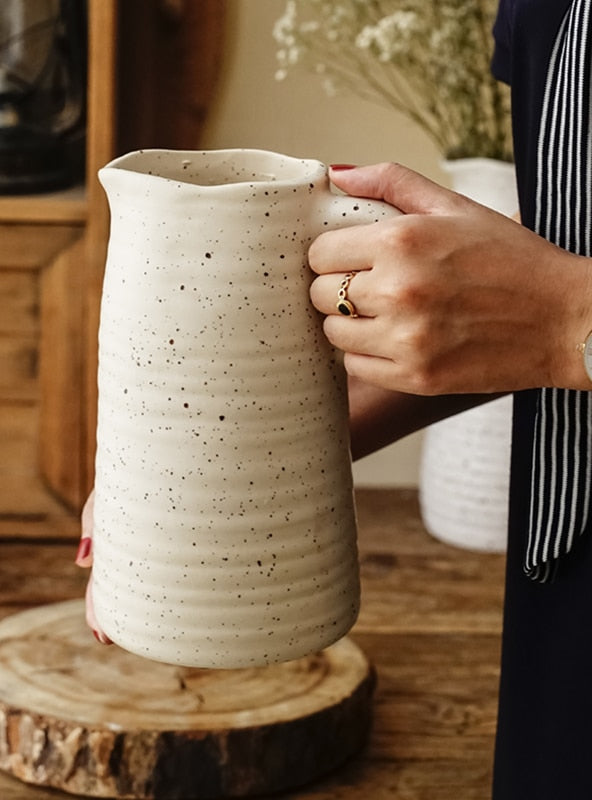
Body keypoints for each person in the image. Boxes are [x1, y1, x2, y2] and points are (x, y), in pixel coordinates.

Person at [78, 1, 592, 796]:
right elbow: (567, 241)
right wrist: (247, 437)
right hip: (562, 598)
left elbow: (560, 303)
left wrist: (570, 321)